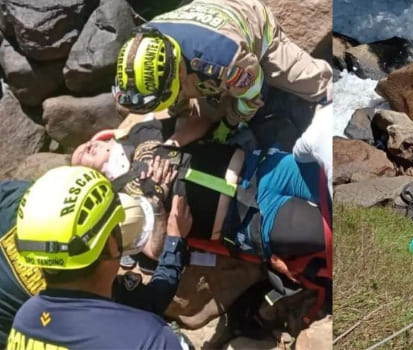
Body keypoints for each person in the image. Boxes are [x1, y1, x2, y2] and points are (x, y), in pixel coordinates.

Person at [71, 118, 328, 285]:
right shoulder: (121, 205)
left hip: (262, 169)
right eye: (80, 157)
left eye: (86, 144)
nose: (86, 149)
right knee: (325, 234)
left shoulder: (142, 134)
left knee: (330, 182)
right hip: (250, 220)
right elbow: (156, 251)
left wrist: (171, 143)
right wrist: (157, 201)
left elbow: (203, 121)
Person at [8, 166, 192, 349]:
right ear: (111, 242)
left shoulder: (25, 320)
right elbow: (154, 299)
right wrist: (175, 240)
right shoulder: (151, 340)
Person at [111, 0, 332, 147]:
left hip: (252, 23)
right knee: (208, 112)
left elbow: (254, 92)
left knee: (310, 82)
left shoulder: (223, 60)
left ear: (178, 70)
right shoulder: (146, 37)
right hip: (209, 15)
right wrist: (181, 110)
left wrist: (231, 123)